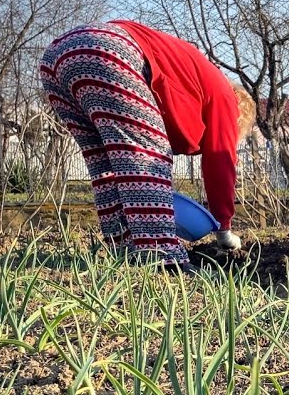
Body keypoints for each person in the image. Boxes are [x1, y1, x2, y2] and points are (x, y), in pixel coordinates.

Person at [39, 20, 256, 272]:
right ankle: (162, 257)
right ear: (240, 115)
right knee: (147, 151)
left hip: (56, 60)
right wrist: (224, 228)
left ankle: (124, 250)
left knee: (105, 163)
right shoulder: (226, 99)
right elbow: (221, 162)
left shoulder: (193, 79)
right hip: (108, 50)